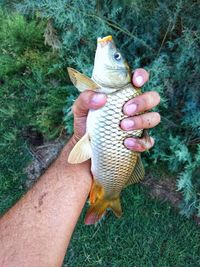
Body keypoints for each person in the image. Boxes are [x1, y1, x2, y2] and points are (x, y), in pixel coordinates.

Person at [0, 69, 160, 267]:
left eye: (117, 57)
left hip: (103, 155)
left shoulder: (112, 89)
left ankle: (109, 197)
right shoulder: (106, 88)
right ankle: (108, 197)